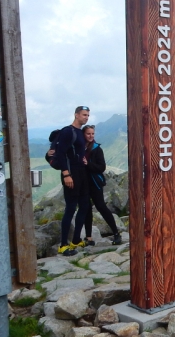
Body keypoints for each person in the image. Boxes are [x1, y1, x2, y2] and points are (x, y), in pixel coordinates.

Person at [50, 106, 92, 256]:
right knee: (71, 208)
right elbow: (61, 154)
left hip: (81, 172)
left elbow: (77, 152)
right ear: (76, 115)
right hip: (71, 173)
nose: (86, 117)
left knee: (85, 205)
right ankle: (63, 245)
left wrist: (84, 159)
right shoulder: (68, 131)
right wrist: (66, 175)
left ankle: (75, 240)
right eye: (83, 115)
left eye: (87, 115)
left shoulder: (80, 133)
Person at [82, 125, 123, 246]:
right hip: (84, 183)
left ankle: (116, 233)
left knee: (101, 206)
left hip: (95, 183)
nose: (91, 136)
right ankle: (88, 238)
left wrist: (87, 164)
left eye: (92, 134)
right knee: (86, 209)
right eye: (88, 134)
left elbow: (102, 167)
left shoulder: (96, 149)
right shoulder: (80, 148)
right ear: (83, 135)